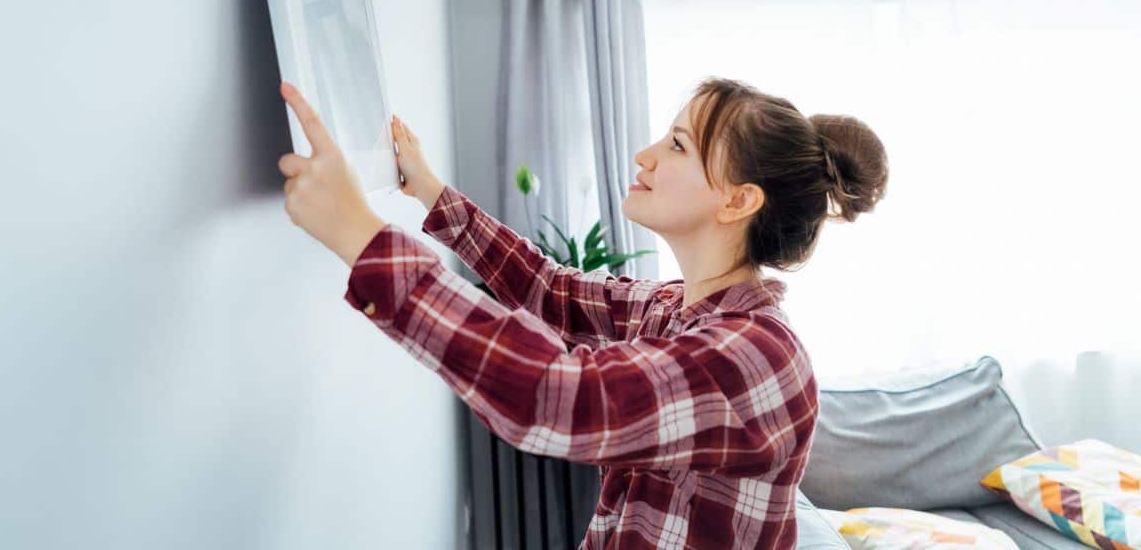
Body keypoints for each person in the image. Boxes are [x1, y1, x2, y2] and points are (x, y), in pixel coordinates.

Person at [279, 75, 890, 549]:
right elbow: (553, 292)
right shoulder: (674, 309)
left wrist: (361, 237)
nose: (645, 156)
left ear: (738, 200)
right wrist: (435, 195)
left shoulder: (757, 358)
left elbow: (558, 398)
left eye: (677, 145)